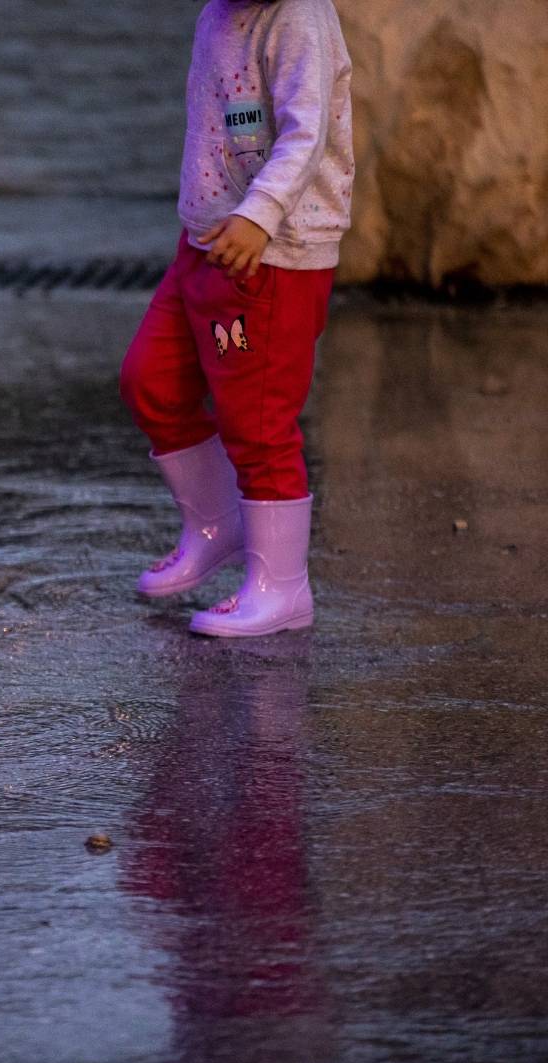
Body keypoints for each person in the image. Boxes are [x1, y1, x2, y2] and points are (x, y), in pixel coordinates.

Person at [118, 0, 353, 637]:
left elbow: (310, 134)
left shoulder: (298, 20)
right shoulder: (216, 15)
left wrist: (259, 214)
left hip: (272, 254)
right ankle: (215, 524)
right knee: (152, 381)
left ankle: (282, 589)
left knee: (257, 420)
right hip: (203, 241)